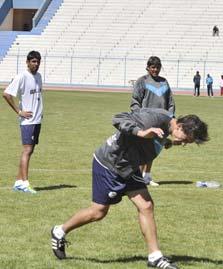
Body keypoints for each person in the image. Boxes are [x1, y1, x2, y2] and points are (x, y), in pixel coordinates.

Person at [50, 108, 209, 269]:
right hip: (110, 165)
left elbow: (152, 139)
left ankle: (155, 256)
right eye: (186, 140)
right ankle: (59, 231)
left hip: (128, 168)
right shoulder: (154, 119)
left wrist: (165, 141)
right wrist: (140, 132)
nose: (183, 144)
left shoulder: (167, 127)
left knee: (146, 206)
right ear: (180, 126)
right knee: (98, 212)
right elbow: (118, 118)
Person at [2, 50, 43, 194]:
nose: (36, 64)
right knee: (27, 150)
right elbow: (6, 94)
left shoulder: (38, 76)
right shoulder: (21, 76)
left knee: (30, 151)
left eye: (38, 62)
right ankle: (25, 183)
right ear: (27, 62)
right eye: (33, 61)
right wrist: (19, 112)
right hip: (28, 121)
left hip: (37, 120)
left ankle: (18, 182)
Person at [131, 56, 175, 187]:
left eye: (158, 67)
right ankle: (137, 177)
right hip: (146, 120)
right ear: (148, 68)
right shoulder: (142, 81)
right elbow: (135, 101)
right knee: (142, 149)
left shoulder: (164, 82)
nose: (155, 70)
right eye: (153, 67)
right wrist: (138, 117)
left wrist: (171, 117)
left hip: (162, 121)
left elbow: (170, 102)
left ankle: (147, 176)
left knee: (153, 149)